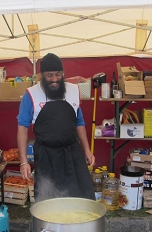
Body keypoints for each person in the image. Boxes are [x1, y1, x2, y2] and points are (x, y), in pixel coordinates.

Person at [17, 53, 95, 202]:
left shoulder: (73, 91)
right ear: (42, 75)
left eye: (58, 75)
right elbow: (22, 127)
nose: (54, 79)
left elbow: (79, 122)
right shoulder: (31, 95)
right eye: (49, 75)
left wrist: (87, 150)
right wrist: (24, 161)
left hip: (72, 152)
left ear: (63, 74)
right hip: (47, 155)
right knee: (49, 199)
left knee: (82, 196)